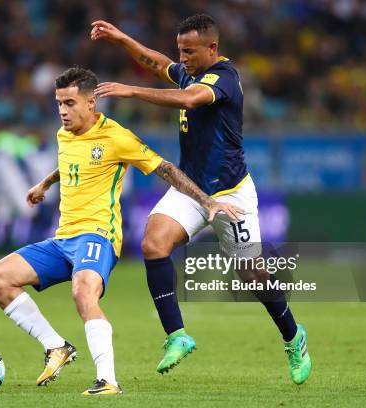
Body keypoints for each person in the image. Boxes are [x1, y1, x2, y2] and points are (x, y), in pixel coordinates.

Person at [0, 67, 242, 395]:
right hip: (63, 240)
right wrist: (44, 184)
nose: (62, 111)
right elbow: (69, 163)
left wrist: (206, 201)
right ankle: (56, 347)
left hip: (98, 236)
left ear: (92, 103)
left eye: (70, 103)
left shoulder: (116, 137)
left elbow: (165, 168)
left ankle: (107, 380)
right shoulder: (65, 134)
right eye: (59, 103)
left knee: (83, 292)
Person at [91, 14, 311, 384]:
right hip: (191, 190)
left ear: (213, 48)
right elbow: (156, 62)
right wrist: (120, 38)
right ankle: (177, 335)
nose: (183, 57)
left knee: (252, 275)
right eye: (181, 50)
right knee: (153, 244)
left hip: (230, 193)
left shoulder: (224, 79)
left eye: (190, 51)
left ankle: (293, 336)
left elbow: (191, 100)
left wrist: (132, 91)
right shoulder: (190, 70)